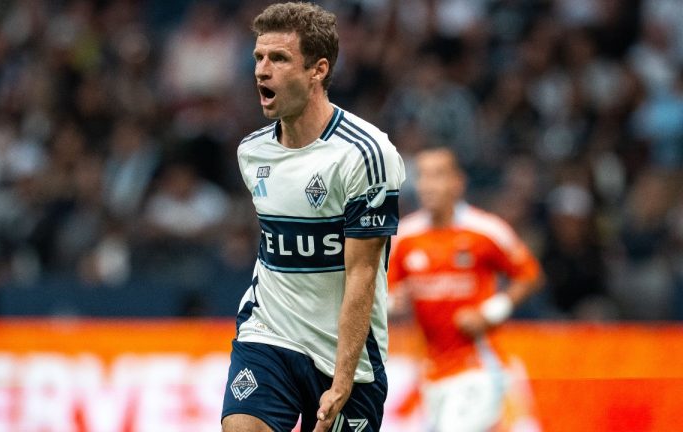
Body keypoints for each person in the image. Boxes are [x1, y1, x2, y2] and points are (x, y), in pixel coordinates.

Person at [221, 3, 405, 432]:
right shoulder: (252, 152)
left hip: (346, 358)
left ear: (318, 70)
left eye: (279, 59)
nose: (261, 71)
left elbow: (362, 277)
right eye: (258, 58)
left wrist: (341, 383)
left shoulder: (365, 154)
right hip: (269, 335)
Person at [388, 147, 542, 432]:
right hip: (432, 370)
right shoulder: (406, 238)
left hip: (478, 367)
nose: (428, 185)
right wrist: (392, 303)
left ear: (458, 182)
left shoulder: (485, 230)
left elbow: (529, 275)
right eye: (422, 176)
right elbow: (388, 296)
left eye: (438, 175)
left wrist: (491, 313)